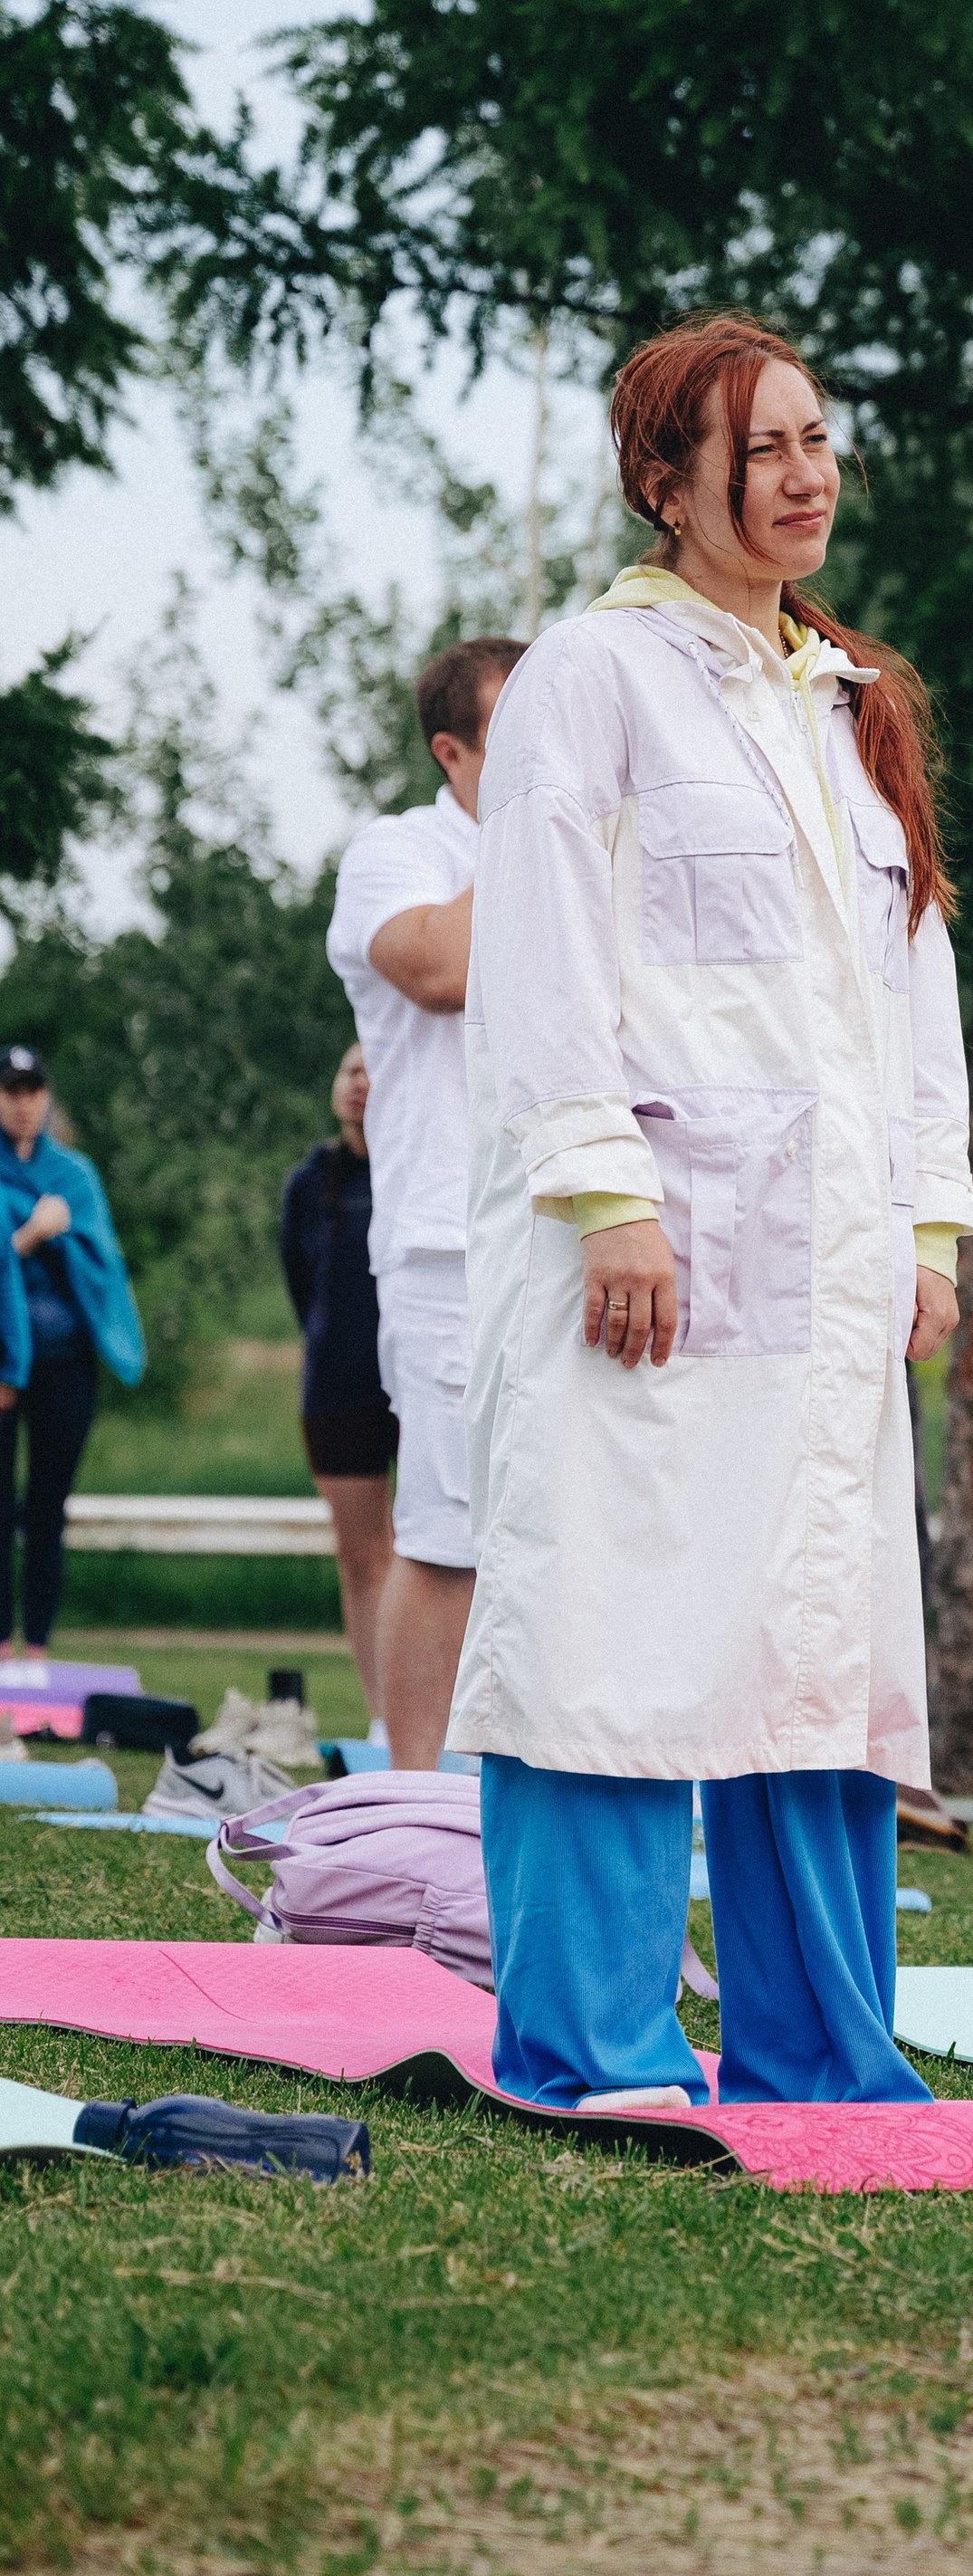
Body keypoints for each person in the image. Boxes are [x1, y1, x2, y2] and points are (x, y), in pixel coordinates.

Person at [446, 311, 973, 2113]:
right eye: (762, 448)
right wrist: (606, 1198)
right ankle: (586, 2047)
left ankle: (821, 2047)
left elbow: (915, 981)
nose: (806, 473)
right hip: (652, 1247)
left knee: (813, 1644)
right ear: (666, 485)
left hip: (827, 1271)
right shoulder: (591, 681)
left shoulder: (851, 703)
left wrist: (925, 1225)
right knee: (614, 1623)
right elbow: (538, 951)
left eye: (818, 437)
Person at [326, 636, 526, 1767]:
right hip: (449, 1241)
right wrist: (540, 827)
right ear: (452, 751)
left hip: (582, 1241)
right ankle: (411, 1805)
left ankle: (535, 1802)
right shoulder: (397, 852)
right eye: (520, 736)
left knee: (565, 1545)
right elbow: (436, 971)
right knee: (446, 1538)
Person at [0, 1041, 145, 1652]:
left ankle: (37, 1644)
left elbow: (103, 1262)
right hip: (6, 1365)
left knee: (47, 1508)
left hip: (66, 1363)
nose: (24, 1104)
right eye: (11, 1091)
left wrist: (63, 1235)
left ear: (46, 1097)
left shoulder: (74, 1175)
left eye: (33, 1091)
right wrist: (28, 1236)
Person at [278, 1045, 396, 1729]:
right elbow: (301, 1281)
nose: (361, 1083)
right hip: (337, 1385)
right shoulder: (310, 1179)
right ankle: (383, 1718)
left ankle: (444, 1722)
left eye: (374, 1068)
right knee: (361, 1557)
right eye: (350, 1069)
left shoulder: (422, 1165)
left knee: (438, 1548)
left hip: (417, 1380)